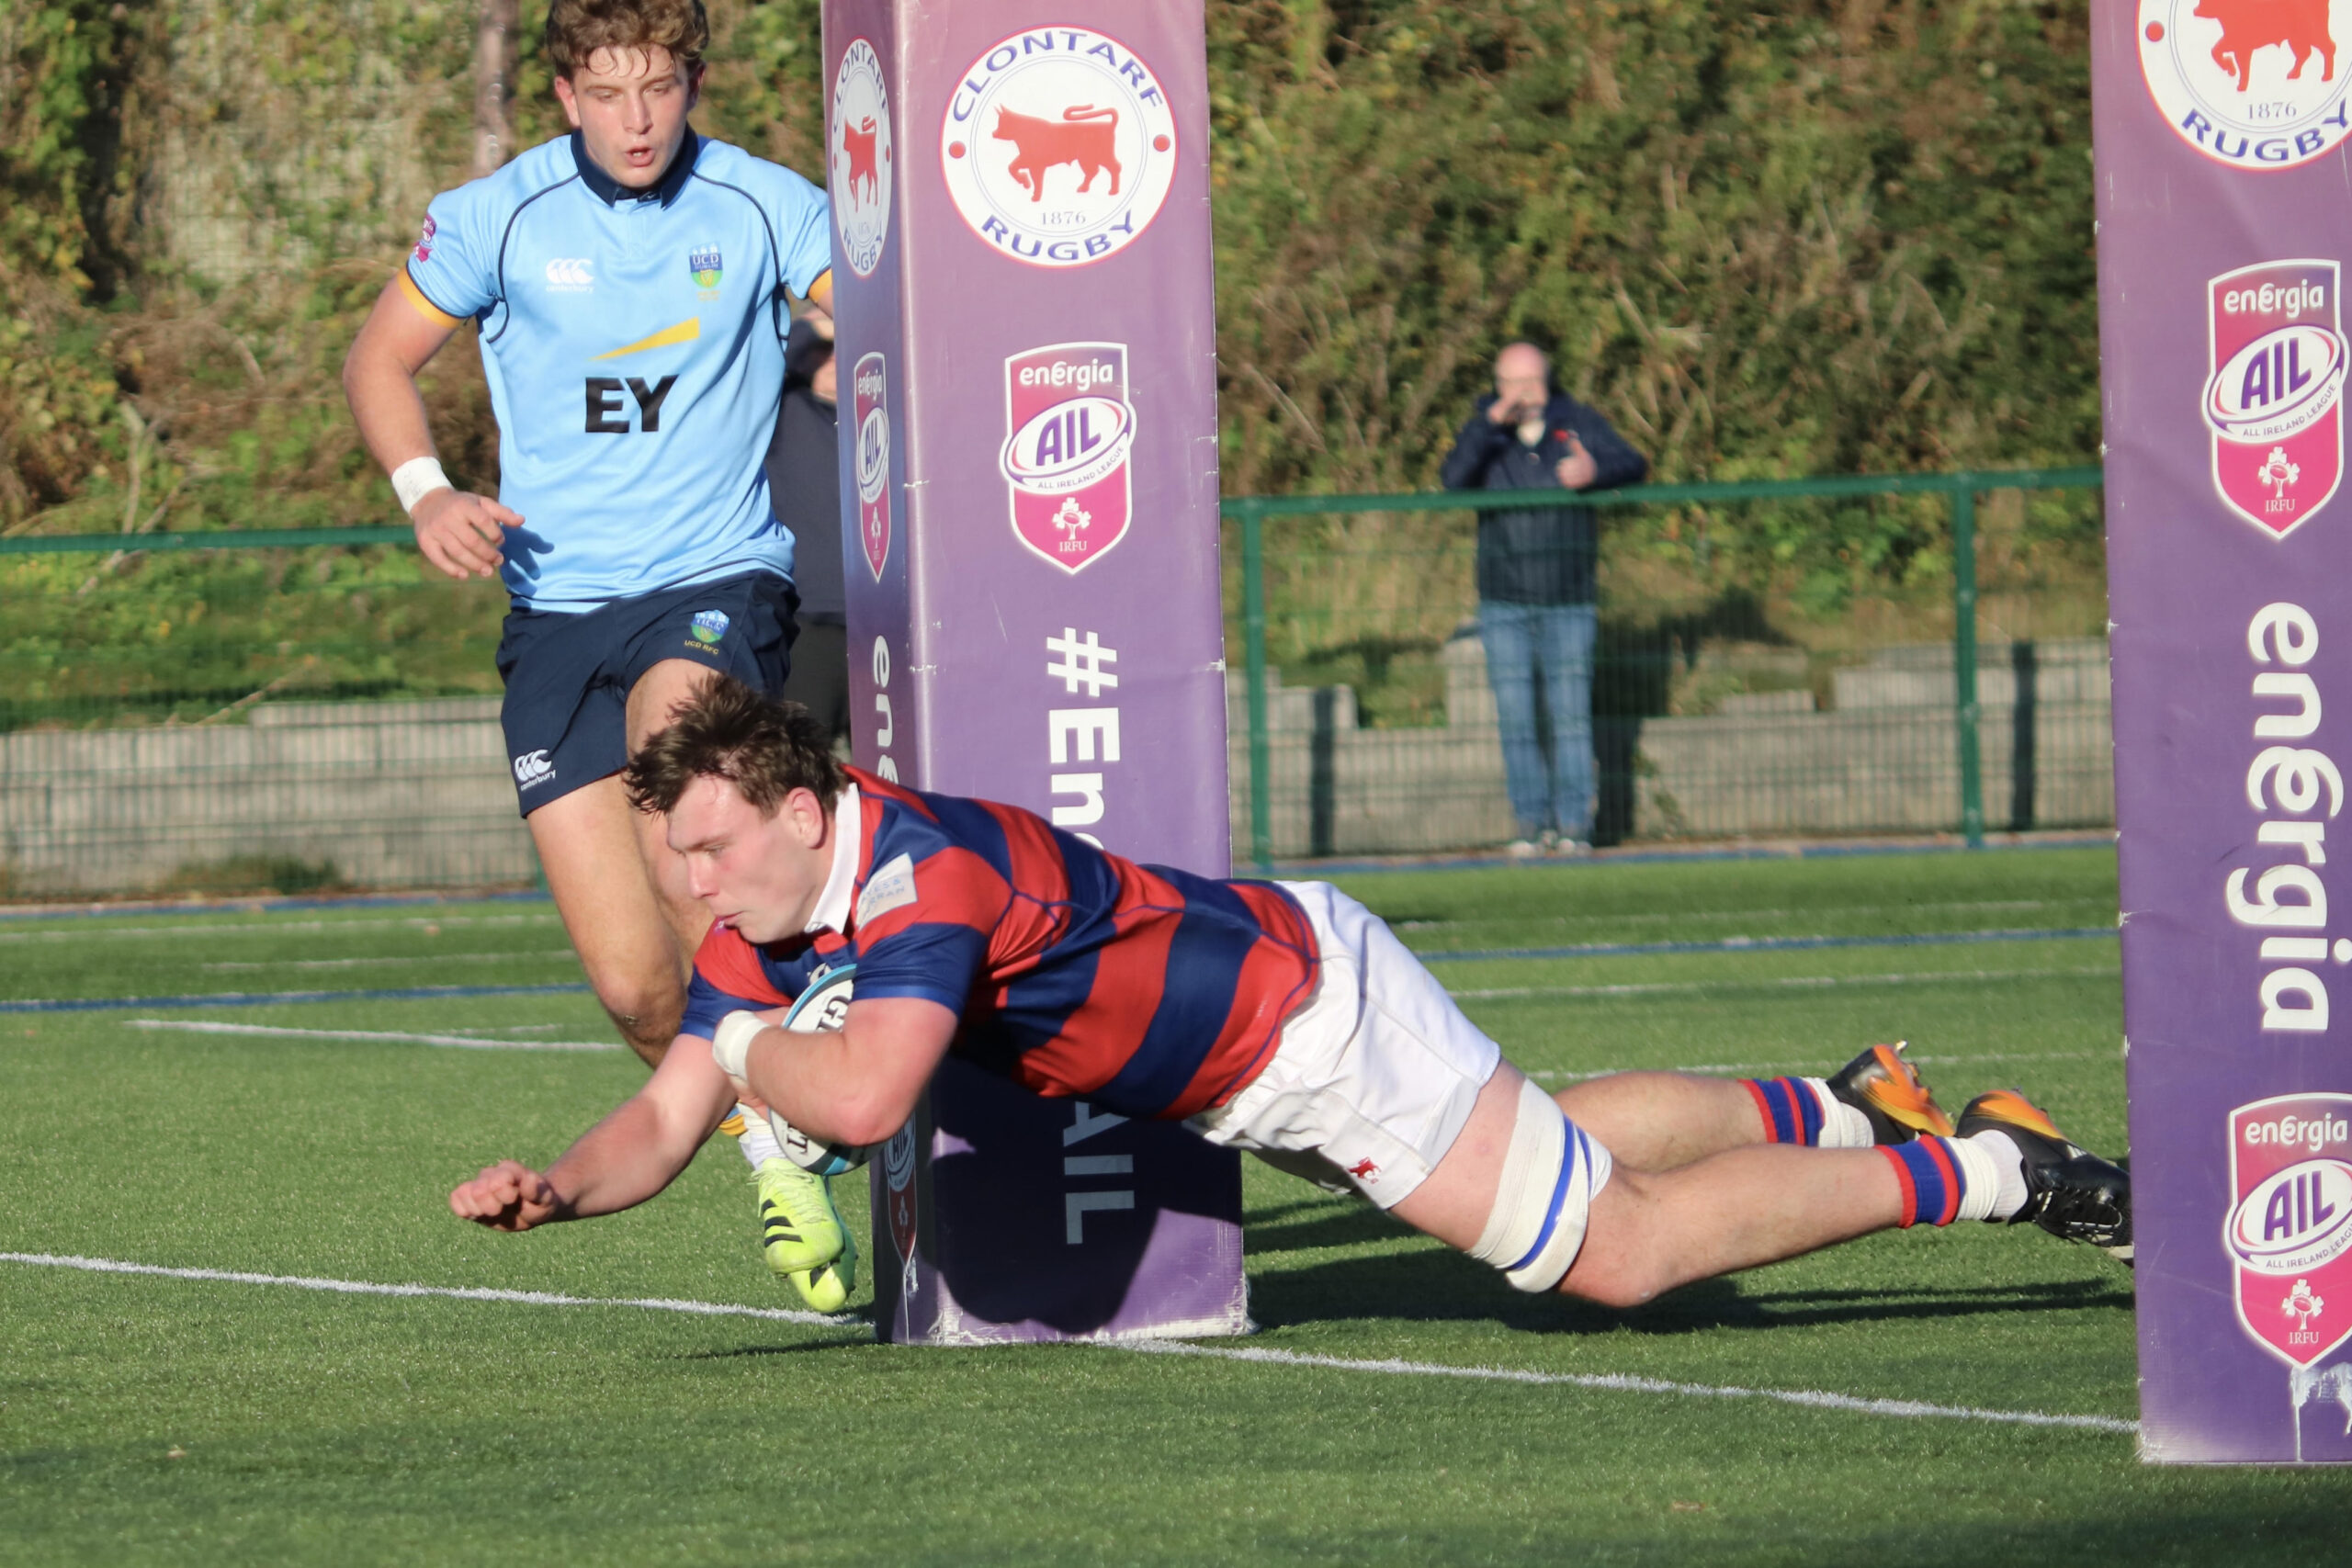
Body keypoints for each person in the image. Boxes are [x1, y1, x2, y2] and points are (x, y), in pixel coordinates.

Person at [450, 678, 2135, 1313]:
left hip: (1301, 1027)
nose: (692, 884)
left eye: (709, 846)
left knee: (1611, 1252)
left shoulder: (921, 877)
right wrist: (560, 1185)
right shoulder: (772, 906)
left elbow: (866, 1094)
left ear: (804, 812)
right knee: (1551, 1147)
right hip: (1268, 1028)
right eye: (675, 855)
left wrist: (751, 1038)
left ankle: (2001, 1168)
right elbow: (668, 1111)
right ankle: (1848, 1104)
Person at [341, 0, 851, 1307]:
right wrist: (425, 493)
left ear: (695, 83)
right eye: (610, 93)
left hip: (714, 579)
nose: (638, 120)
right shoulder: (494, 218)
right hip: (557, 617)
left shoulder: (764, 204)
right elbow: (379, 360)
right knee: (634, 987)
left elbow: (876, 317)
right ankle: (782, 1117)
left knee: (679, 777)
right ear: (566, 93)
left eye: (661, 88)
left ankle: (835, 1081)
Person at [1441, 342, 1647, 855]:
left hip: (1569, 597)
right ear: (1498, 386)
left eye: (1532, 381)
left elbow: (1634, 462)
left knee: (1571, 715)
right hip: (1504, 600)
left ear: (1548, 381)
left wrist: (1594, 473)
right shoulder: (1485, 431)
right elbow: (1453, 479)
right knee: (1516, 718)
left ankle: (1575, 824)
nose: (1523, 393)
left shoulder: (1577, 422)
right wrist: (1489, 424)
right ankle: (1530, 823)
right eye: (1513, 383)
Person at [766, 310, 849, 744]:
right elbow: (762, 359)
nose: (832, 357)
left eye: (842, 348)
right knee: (801, 762)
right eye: (821, 350)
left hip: (886, 625)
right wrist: (817, 326)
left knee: (893, 771)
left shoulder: (892, 418)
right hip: (808, 625)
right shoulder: (782, 412)